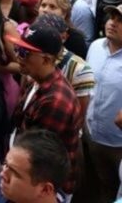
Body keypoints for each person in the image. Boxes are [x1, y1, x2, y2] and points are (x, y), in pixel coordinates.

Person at [7, 19, 83, 196]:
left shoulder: (55, 101)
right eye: (17, 49)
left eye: (24, 52)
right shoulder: (35, 80)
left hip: (45, 188)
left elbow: (36, 156)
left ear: (47, 59)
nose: (18, 56)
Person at [84, 4, 122, 202]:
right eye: (112, 17)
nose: (112, 23)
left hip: (118, 143)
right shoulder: (95, 47)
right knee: (97, 185)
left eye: (120, 20)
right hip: (91, 134)